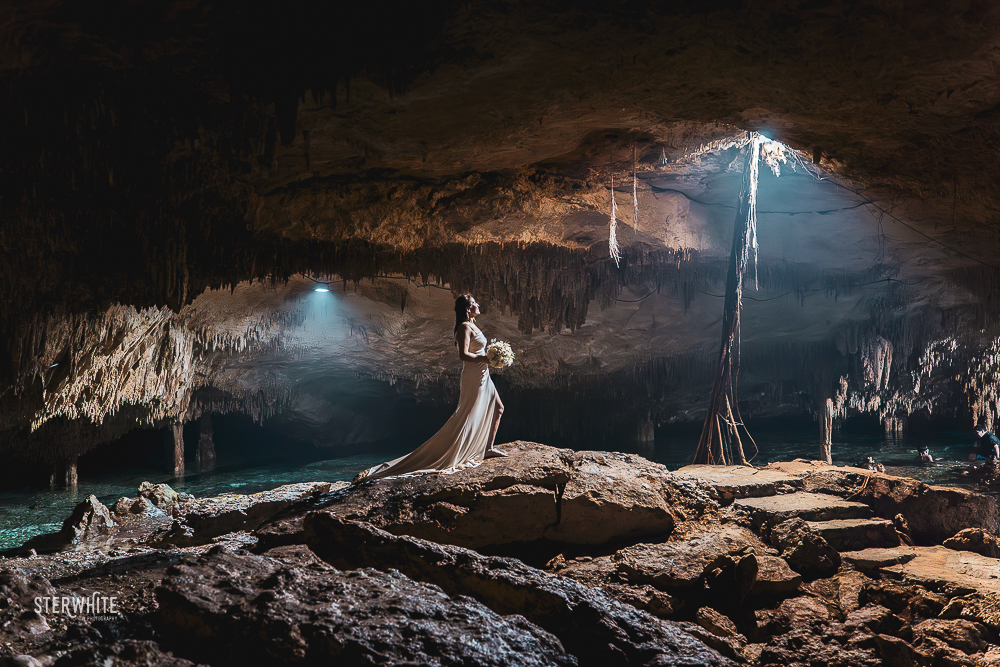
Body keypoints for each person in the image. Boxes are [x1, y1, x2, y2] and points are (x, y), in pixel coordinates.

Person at [353, 294, 507, 482]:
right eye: (474, 303)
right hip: (473, 375)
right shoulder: (464, 327)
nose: (478, 304)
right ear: (467, 308)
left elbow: (477, 350)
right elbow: (463, 355)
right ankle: (456, 451)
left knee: (498, 408)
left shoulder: (473, 325)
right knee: (468, 414)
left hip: (484, 374)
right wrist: (485, 359)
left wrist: (492, 357)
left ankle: (488, 448)